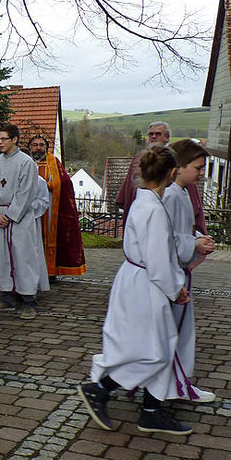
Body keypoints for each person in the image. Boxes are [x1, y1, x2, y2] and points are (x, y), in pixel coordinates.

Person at [79, 144, 195, 435]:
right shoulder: (153, 209)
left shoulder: (143, 203)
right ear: (170, 174)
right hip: (147, 284)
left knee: (154, 345)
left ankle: (150, 410)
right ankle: (101, 389)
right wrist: (175, 288)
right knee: (155, 349)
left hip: (136, 279)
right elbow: (158, 261)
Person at [161, 139, 216, 403]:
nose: (201, 173)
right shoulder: (170, 195)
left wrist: (198, 238)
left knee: (181, 332)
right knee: (172, 332)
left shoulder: (182, 192)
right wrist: (193, 243)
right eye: (198, 167)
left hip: (180, 272)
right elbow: (167, 237)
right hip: (172, 274)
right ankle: (173, 384)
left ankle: (178, 382)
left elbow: (183, 230)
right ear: (179, 167)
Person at [0, 123, 45, 319]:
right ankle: (6, 298)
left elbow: (26, 192)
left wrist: (11, 215)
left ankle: (29, 300)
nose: (0, 142)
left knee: (23, 256)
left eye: (4, 139)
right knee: (1, 256)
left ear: (15, 140)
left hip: (19, 218)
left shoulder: (26, 162)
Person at [116, 120, 207, 234]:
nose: (153, 137)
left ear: (167, 137)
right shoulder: (139, 158)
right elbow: (129, 189)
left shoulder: (176, 158)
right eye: (151, 134)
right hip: (140, 210)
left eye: (158, 134)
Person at [28, 135, 86, 280]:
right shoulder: (26, 162)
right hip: (28, 208)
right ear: (30, 147)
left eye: (41, 145)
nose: (38, 147)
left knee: (48, 240)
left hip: (49, 209)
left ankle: (49, 271)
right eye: (35, 144)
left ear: (46, 148)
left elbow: (64, 182)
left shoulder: (53, 162)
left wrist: (48, 185)